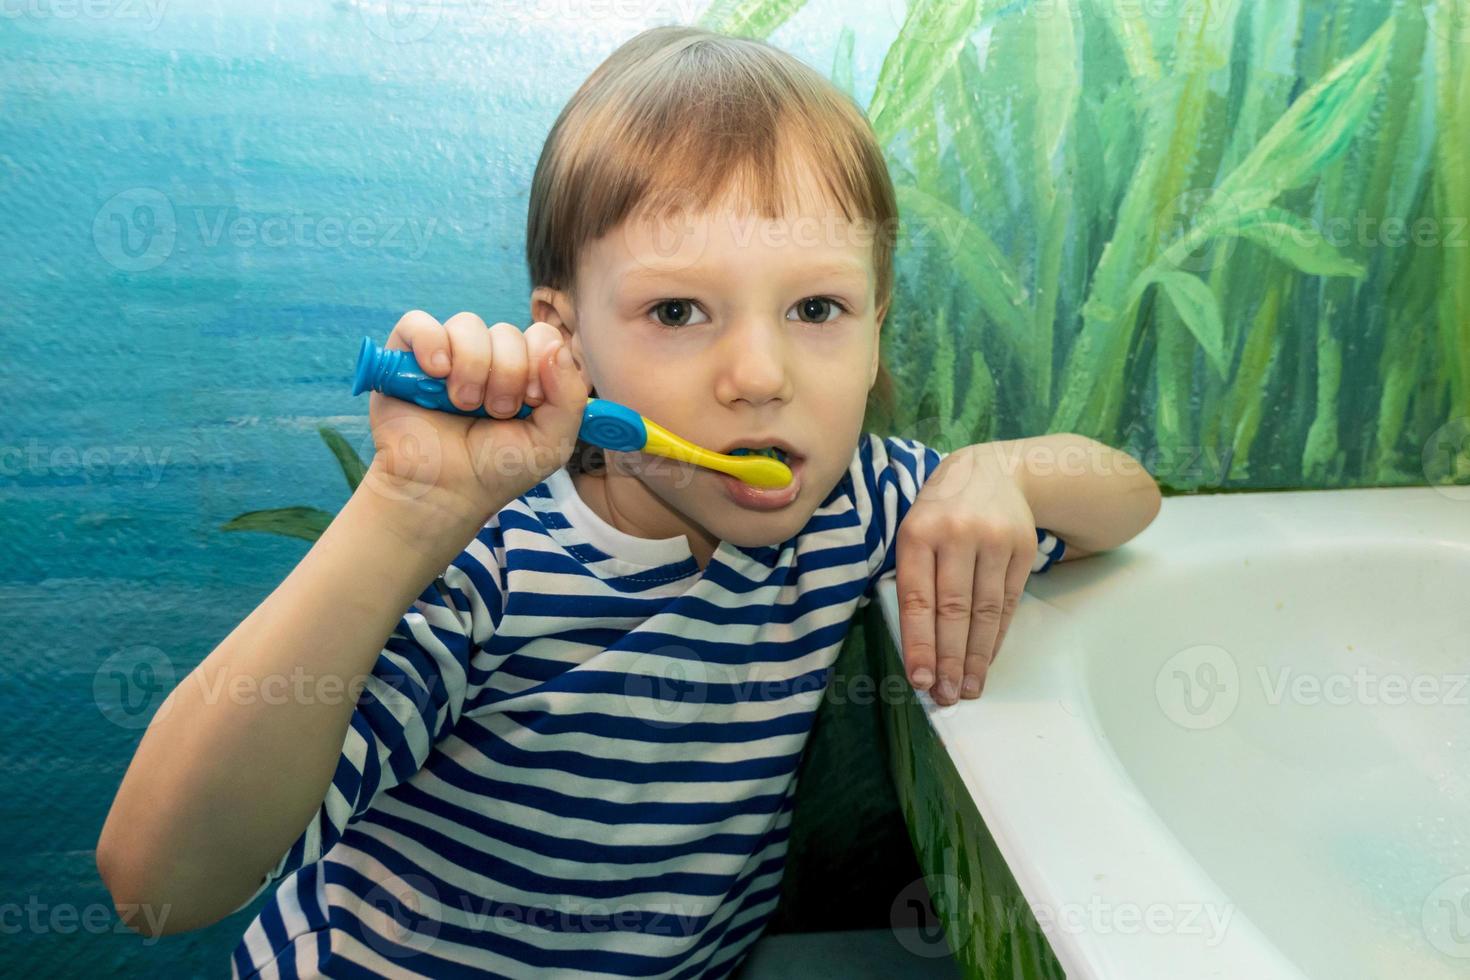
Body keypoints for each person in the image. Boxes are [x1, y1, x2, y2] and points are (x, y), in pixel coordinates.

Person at [97, 24, 1158, 978]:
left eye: (819, 307)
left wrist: (1000, 470)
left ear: (880, 323)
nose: (759, 373)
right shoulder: (491, 568)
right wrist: (406, 510)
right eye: (679, 308)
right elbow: (159, 882)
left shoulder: (855, 504)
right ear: (568, 340)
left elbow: (1131, 501)